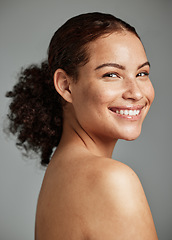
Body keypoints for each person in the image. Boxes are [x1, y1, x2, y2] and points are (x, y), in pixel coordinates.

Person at [6, 12, 158, 239]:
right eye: (112, 74)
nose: (136, 92)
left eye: (142, 73)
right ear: (66, 86)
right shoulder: (110, 180)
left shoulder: (61, 171)